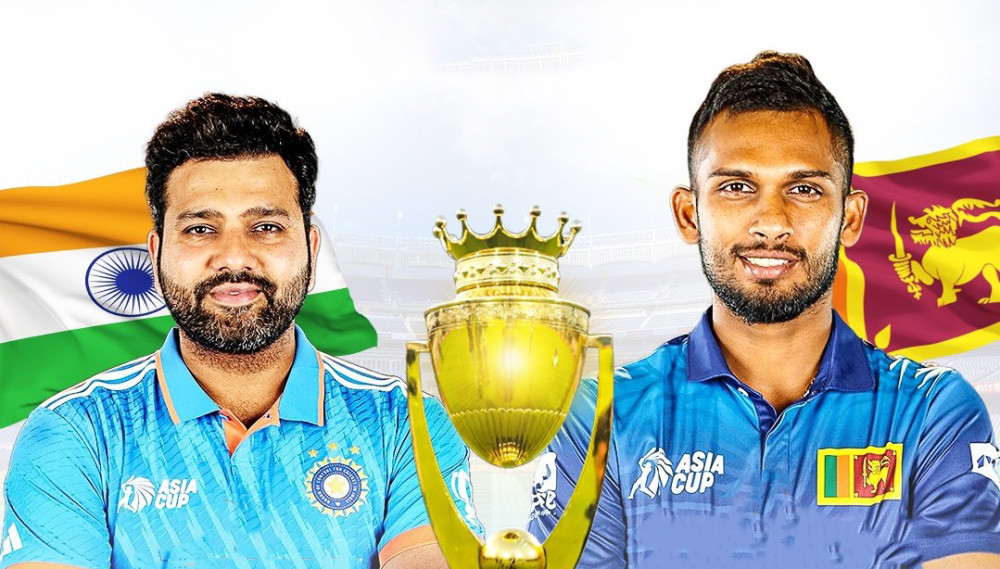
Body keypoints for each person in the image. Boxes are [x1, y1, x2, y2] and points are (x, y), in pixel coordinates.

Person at [528, 52, 1000, 568]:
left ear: (850, 218)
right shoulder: (602, 417)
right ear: (689, 215)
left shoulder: (932, 411)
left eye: (804, 189)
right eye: (737, 187)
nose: (771, 221)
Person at [0, 94, 480, 569]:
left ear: (311, 249)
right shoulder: (74, 430)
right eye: (200, 229)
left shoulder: (405, 422)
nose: (233, 257)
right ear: (156, 253)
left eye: (266, 227)